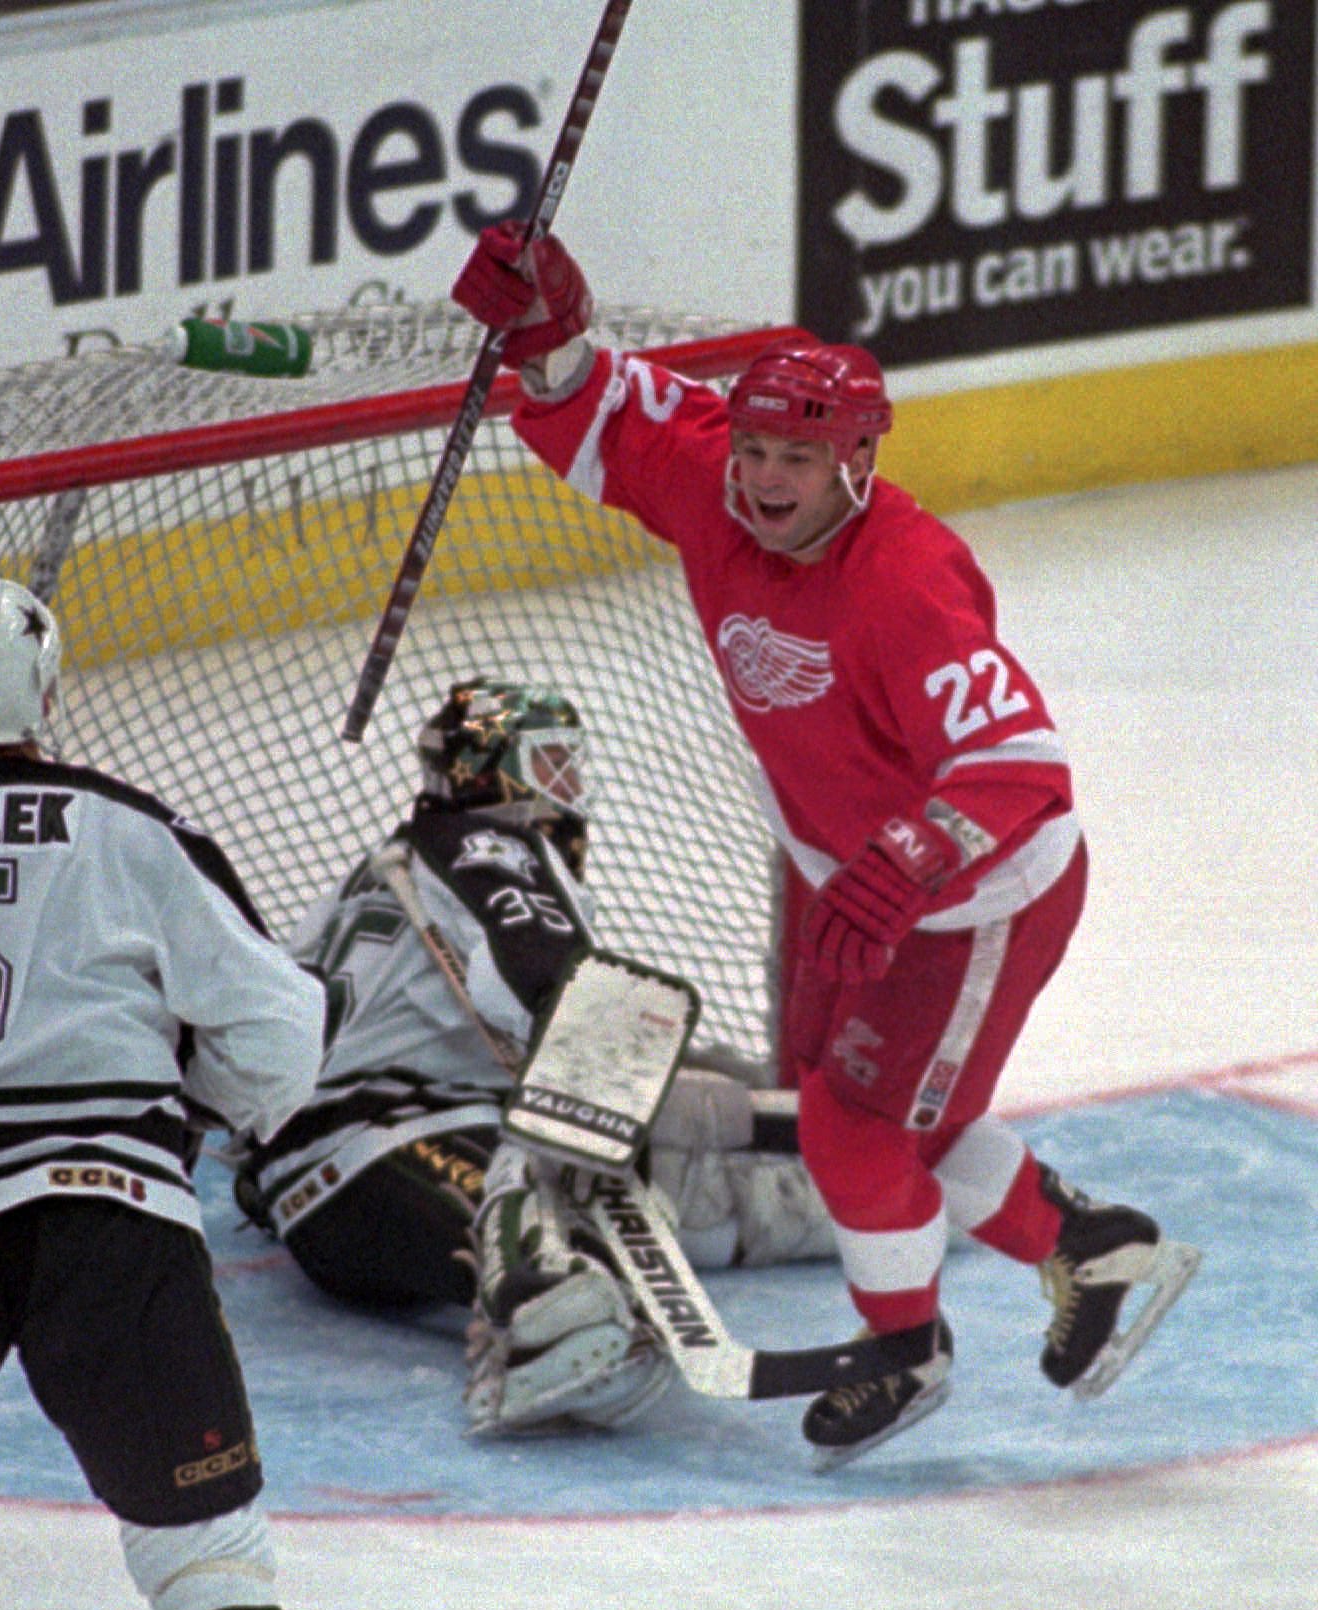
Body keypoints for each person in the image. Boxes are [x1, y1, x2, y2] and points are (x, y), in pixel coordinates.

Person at [448, 223, 1200, 1466]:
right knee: (868, 1113)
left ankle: (904, 1348)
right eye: (751, 448)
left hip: (974, 901)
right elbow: (607, 411)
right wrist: (545, 330)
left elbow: (1017, 764)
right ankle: (1097, 1249)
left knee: (858, 1131)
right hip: (847, 874)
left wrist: (906, 861)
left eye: (796, 454)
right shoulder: (715, 486)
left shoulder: (903, 581)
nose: (762, 476)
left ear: (856, 457)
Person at [232, 676, 834, 1436]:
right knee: (567, 1143)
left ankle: (798, 1208)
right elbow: (557, 997)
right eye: (552, 765)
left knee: (639, 1153)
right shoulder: (493, 845)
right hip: (380, 1151)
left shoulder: (393, 863)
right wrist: (677, 1103)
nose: (570, 791)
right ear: (496, 776)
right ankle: (545, 1301)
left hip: (326, 1202)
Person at [0, 579, 326, 1610]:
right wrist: (202, 1099)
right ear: (47, 696)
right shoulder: (134, 826)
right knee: (207, 1563)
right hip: (113, 1215)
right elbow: (279, 1035)